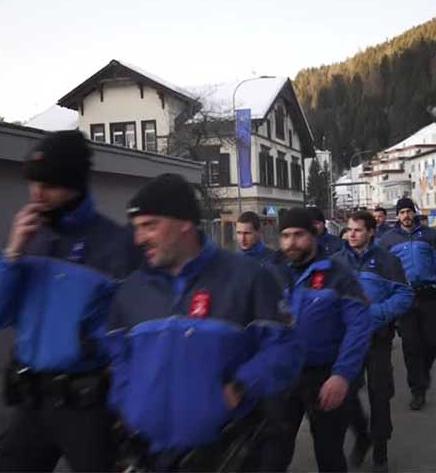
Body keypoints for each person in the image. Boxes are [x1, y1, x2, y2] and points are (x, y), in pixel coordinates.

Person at [105, 174, 302, 471]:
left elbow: (285, 348)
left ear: (184, 222)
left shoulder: (247, 277)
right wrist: (127, 400)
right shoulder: (131, 290)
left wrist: (240, 388)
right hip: (148, 455)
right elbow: (118, 355)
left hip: (221, 455)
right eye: (137, 228)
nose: (139, 238)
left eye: (149, 226)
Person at [0, 130, 136, 472]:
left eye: (49, 184)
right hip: (32, 402)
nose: (37, 193)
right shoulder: (28, 239)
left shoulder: (115, 244)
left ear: (75, 184)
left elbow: (132, 330)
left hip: (87, 406)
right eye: (33, 183)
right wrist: (12, 254)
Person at [267, 207, 372, 472]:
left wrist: (342, 375)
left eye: (299, 234)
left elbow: (359, 325)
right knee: (272, 455)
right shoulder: (271, 274)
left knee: (328, 454)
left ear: (313, 235)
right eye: (286, 235)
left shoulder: (337, 273)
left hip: (324, 378)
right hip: (283, 378)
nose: (291, 242)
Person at [332, 211, 413, 473]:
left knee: (380, 394)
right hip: (346, 342)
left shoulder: (387, 261)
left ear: (370, 233)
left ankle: (380, 450)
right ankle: (361, 436)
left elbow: (404, 295)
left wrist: (375, 315)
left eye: (357, 230)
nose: (351, 234)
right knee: (345, 393)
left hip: (377, 339)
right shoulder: (335, 262)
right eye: (349, 229)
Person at [378, 197, 436, 411]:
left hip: (430, 295)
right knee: (411, 345)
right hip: (405, 297)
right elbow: (384, 270)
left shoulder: (431, 235)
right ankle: (417, 390)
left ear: (414, 213)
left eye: (409, 212)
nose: (406, 216)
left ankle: (423, 374)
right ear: (397, 216)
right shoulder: (388, 240)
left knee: (433, 341)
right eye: (402, 212)